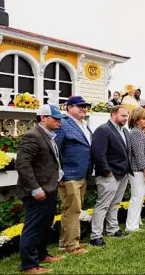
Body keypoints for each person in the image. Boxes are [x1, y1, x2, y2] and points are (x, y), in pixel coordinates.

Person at [16, 104, 64, 274]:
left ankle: (42, 255)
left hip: (49, 188)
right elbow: (22, 165)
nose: (59, 122)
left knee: (45, 225)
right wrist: (35, 189)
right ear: (43, 118)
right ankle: (29, 265)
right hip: (37, 191)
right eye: (56, 118)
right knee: (33, 227)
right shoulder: (32, 136)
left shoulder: (49, 135)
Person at [90, 106, 133, 247]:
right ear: (114, 115)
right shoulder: (103, 130)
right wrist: (107, 171)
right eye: (123, 115)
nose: (126, 118)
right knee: (103, 205)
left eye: (127, 116)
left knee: (114, 204)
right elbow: (98, 153)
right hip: (109, 175)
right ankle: (95, 236)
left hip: (123, 173)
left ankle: (112, 230)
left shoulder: (125, 131)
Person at [54, 96, 92, 255]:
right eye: (80, 106)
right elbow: (54, 150)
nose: (84, 108)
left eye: (86, 106)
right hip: (69, 176)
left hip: (82, 175)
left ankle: (64, 243)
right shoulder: (63, 124)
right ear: (69, 107)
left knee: (71, 210)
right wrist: (60, 174)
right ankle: (72, 246)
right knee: (73, 210)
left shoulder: (83, 124)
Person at [126, 108, 145, 232]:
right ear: (136, 120)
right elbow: (138, 154)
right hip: (139, 171)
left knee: (140, 197)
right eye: (143, 118)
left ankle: (136, 221)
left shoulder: (141, 132)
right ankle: (131, 226)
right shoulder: (135, 133)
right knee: (137, 197)